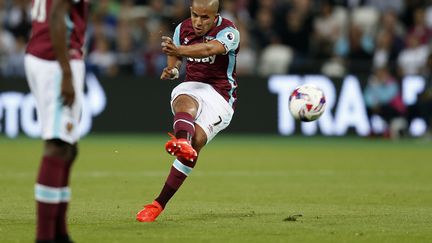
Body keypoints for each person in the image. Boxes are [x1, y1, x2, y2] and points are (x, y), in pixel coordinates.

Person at [136, 0, 240, 222]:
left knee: (197, 142)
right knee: (183, 99)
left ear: (215, 16)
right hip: (192, 86)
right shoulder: (181, 29)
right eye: (195, 15)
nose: (198, 22)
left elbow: (210, 49)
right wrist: (172, 70)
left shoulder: (229, 31)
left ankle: (160, 201)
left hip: (221, 96)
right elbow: (175, 60)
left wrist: (178, 50)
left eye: (205, 18)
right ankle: (156, 204)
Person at [25, 0, 88, 242]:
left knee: (69, 149)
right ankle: (45, 237)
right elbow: (56, 16)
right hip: (55, 59)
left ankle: (60, 234)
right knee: (58, 145)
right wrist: (66, 71)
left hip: (49, 54)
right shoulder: (60, 63)